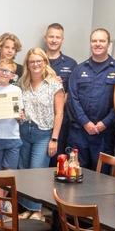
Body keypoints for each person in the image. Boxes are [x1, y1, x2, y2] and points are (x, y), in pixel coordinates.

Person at [17, 48, 64, 220]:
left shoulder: (54, 84)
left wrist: (54, 139)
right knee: (24, 171)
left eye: (39, 61)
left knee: (37, 172)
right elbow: (15, 104)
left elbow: (59, 113)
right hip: (24, 131)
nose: (35, 64)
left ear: (45, 62)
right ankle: (28, 207)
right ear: (27, 64)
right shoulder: (21, 83)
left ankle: (37, 210)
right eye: (32, 62)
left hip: (43, 133)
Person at [66, 28, 115, 170]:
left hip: (104, 133)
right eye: (94, 41)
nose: (97, 44)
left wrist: (105, 123)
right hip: (79, 132)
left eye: (102, 41)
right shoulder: (79, 69)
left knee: (102, 176)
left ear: (108, 44)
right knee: (76, 172)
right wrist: (85, 122)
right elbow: (72, 99)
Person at [44, 23, 77, 155]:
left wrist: (57, 107)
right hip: (37, 120)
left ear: (62, 40)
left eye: (57, 37)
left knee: (57, 159)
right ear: (45, 38)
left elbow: (71, 92)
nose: (54, 40)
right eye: (51, 36)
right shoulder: (36, 60)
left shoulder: (71, 64)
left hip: (61, 120)